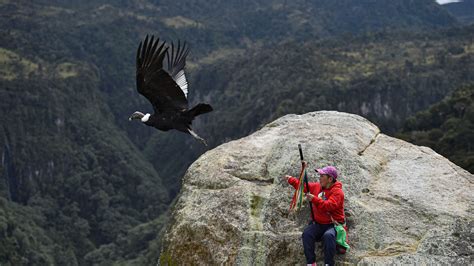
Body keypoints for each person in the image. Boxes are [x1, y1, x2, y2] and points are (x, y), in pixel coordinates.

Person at [285, 164, 345, 266]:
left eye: (322, 176)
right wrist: (291, 180)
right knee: (307, 234)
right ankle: (311, 263)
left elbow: (329, 206)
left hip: (333, 225)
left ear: (330, 179)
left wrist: (314, 199)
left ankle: (329, 264)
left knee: (328, 236)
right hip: (319, 224)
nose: (319, 178)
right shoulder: (317, 187)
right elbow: (303, 187)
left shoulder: (338, 192)